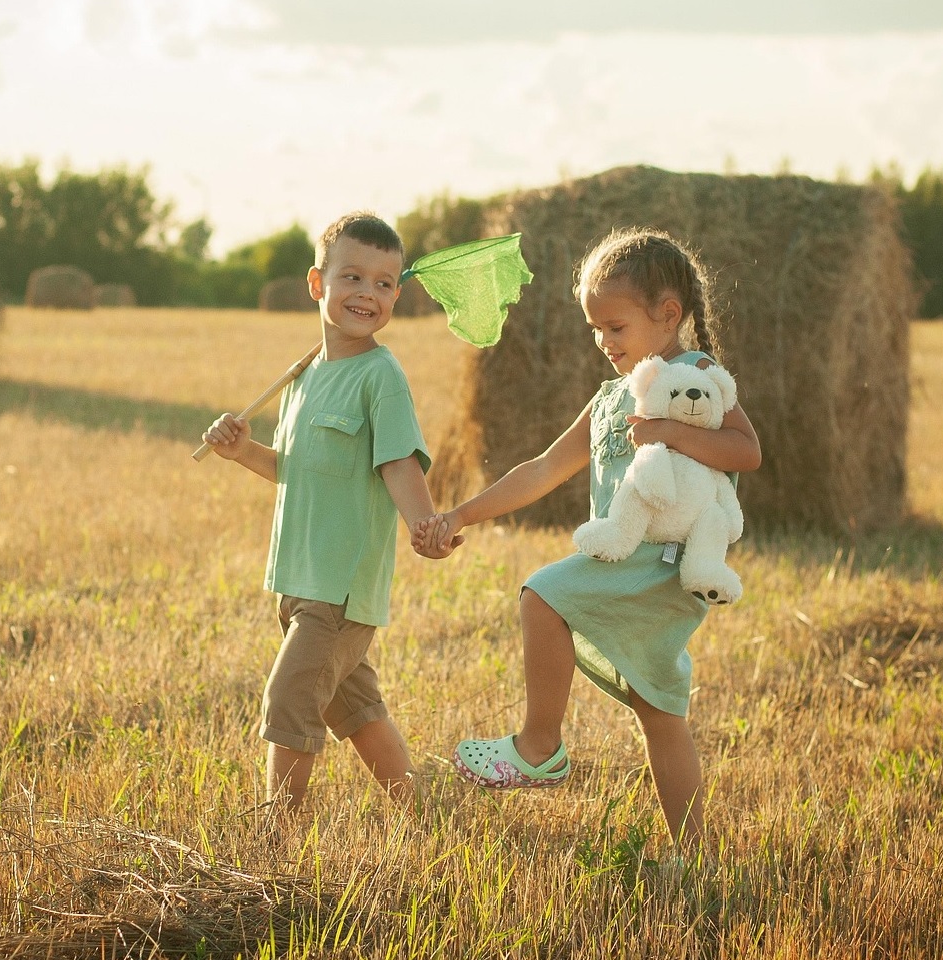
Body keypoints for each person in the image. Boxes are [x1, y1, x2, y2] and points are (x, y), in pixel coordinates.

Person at [412, 228, 761, 859]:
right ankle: (696, 855)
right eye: (595, 329)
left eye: (616, 327)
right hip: (629, 560)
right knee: (659, 712)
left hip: (662, 565)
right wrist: (462, 512)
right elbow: (543, 469)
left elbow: (747, 450)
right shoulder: (609, 400)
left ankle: (539, 747)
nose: (604, 343)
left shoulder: (695, 375)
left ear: (668, 315)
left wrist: (666, 432)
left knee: (543, 594)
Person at [202, 212, 448, 810]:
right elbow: (293, 468)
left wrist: (426, 523)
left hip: (339, 587)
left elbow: (397, 464)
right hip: (297, 577)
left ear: (396, 295)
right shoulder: (303, 375)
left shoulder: (380, 376)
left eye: (385, 283)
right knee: (354, 707)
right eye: (353, 277)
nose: (368, 293)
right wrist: (242, 452)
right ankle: (416, 809)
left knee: (289, 699)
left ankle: (276, 838)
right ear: (318, 284)